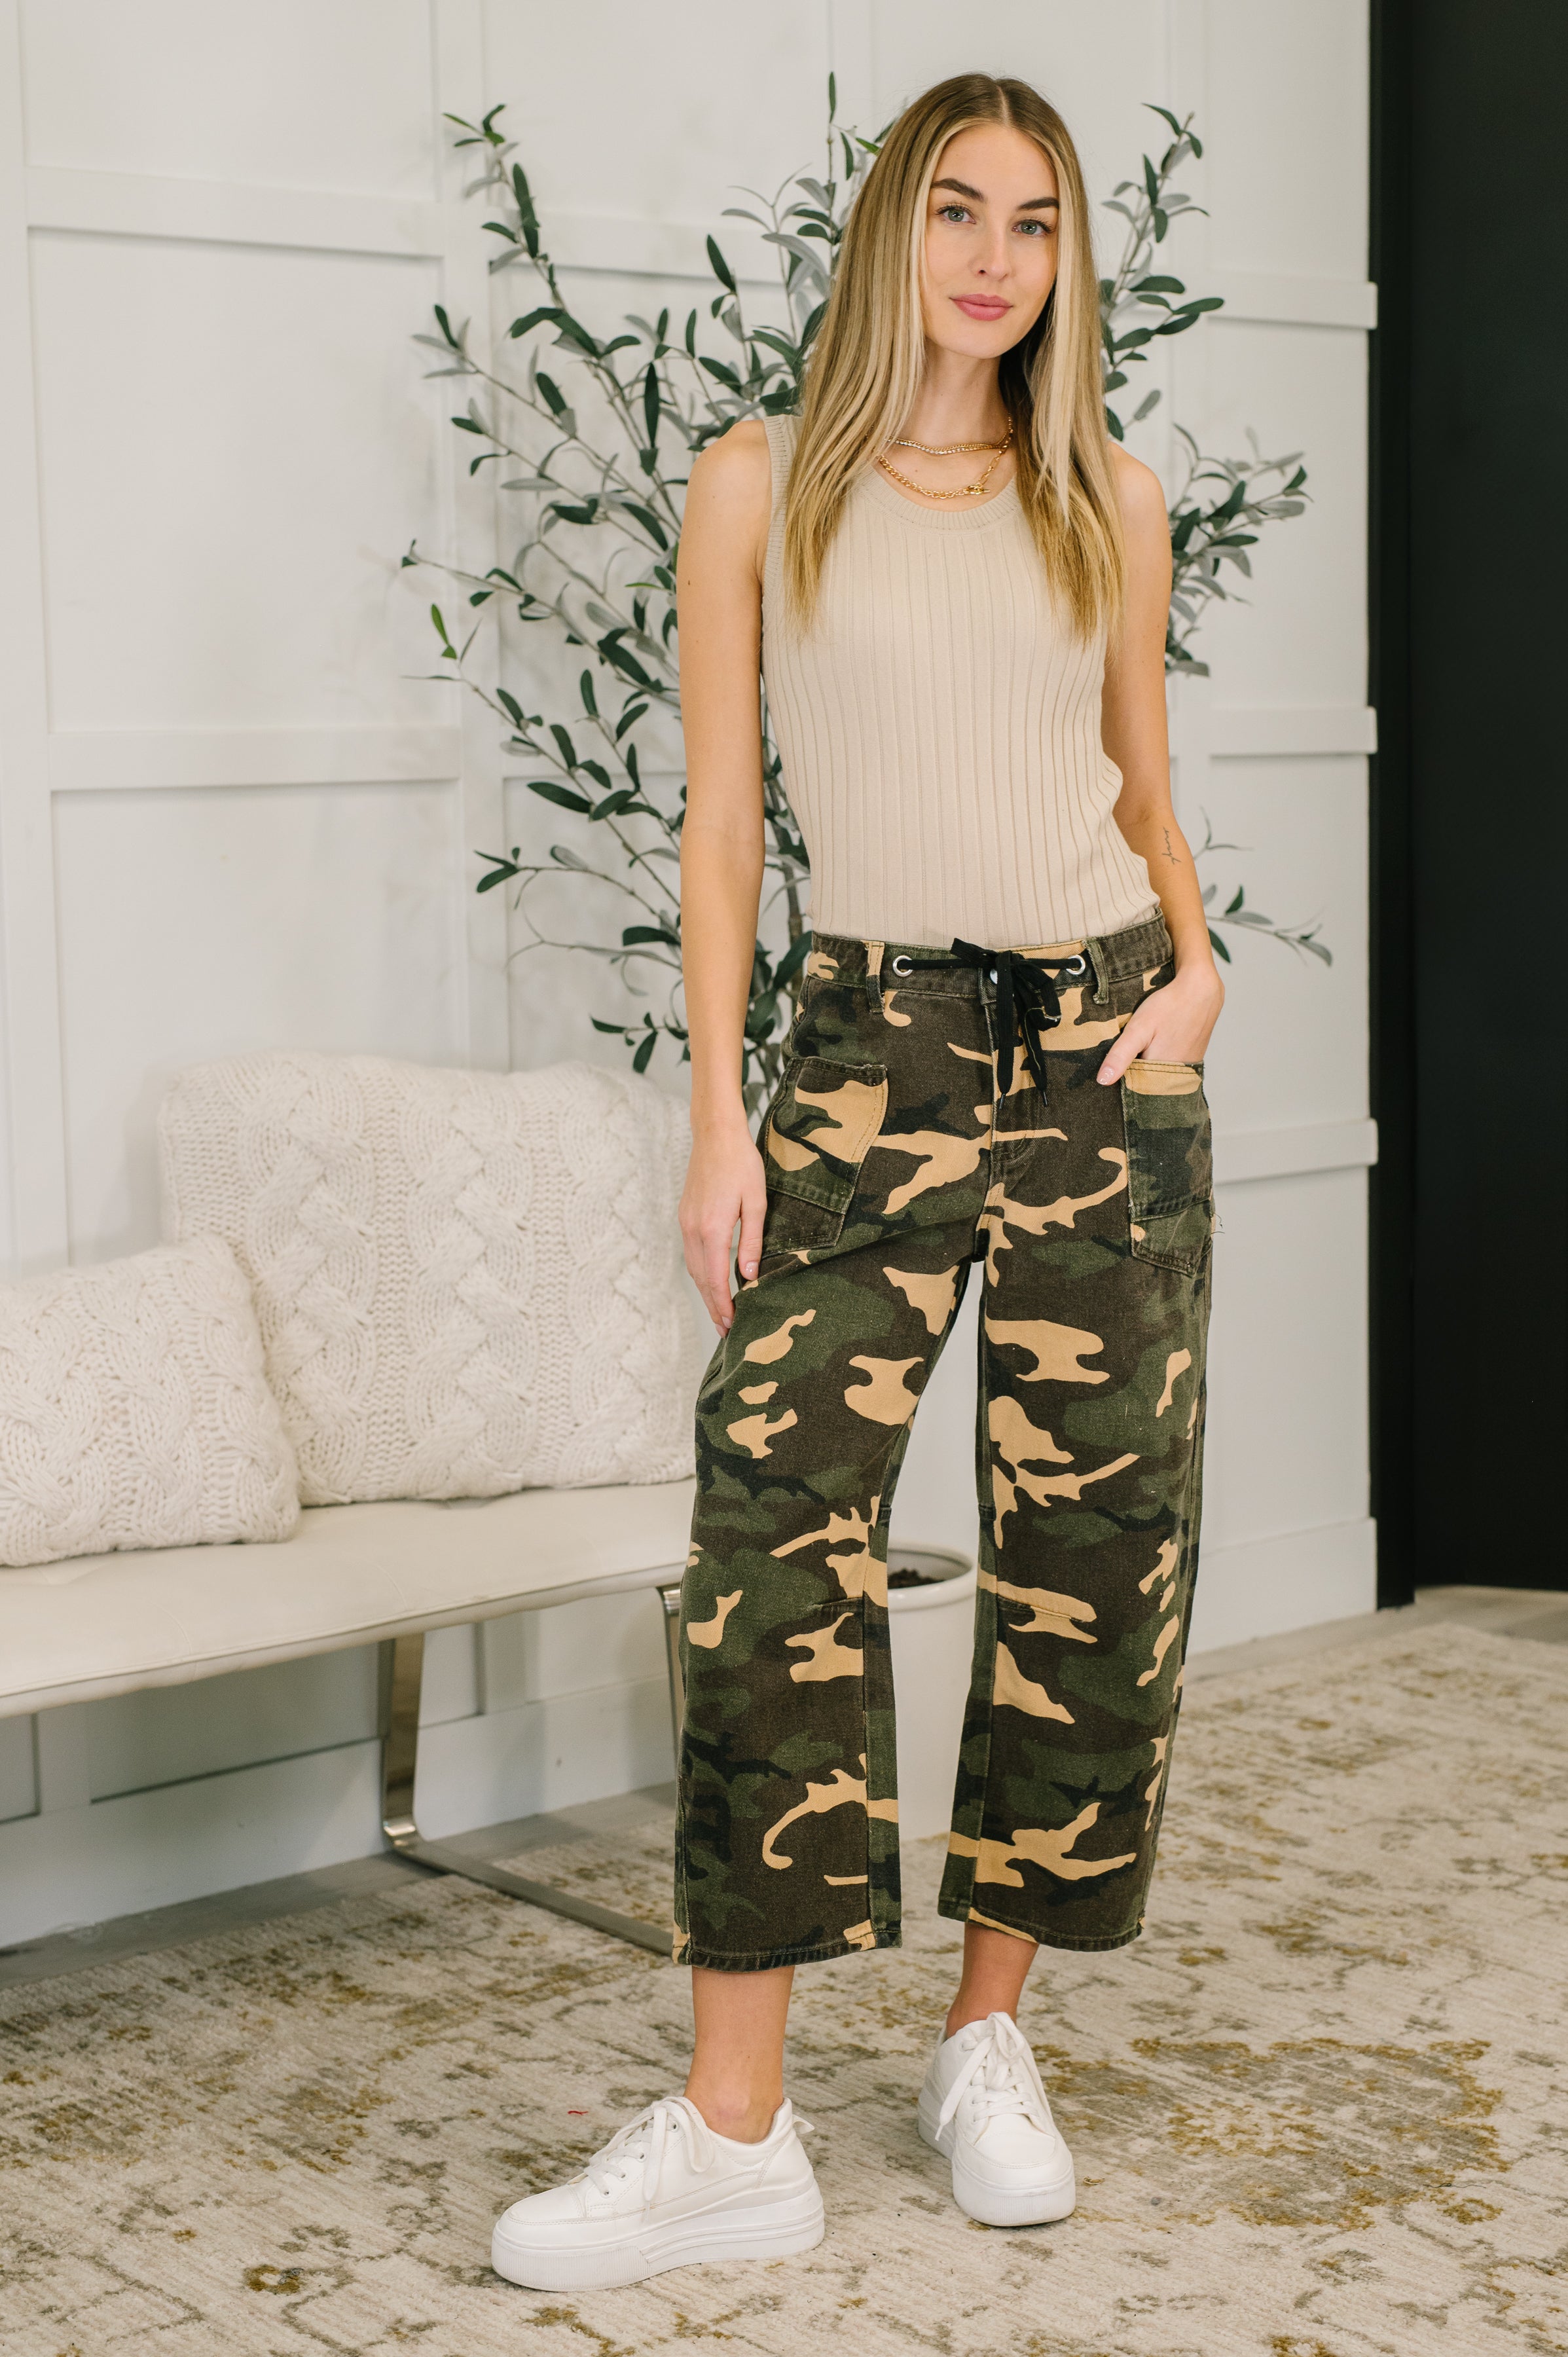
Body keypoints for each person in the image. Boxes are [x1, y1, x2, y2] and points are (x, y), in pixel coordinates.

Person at [492, 69, 1223, 2294]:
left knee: (1091, 1549)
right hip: (864, 1051)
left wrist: (1200, 962)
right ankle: (735, 2131)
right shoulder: (760, 485)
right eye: (957, 211)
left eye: (1036, 222)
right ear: (891, 230)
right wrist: (719, 1115)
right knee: (766, 1535)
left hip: (1103, 1049)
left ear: (1066, 259)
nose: (995, 259)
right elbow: (722, 827)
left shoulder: (1107, 494)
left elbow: (1136, 782)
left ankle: (986, 2039)